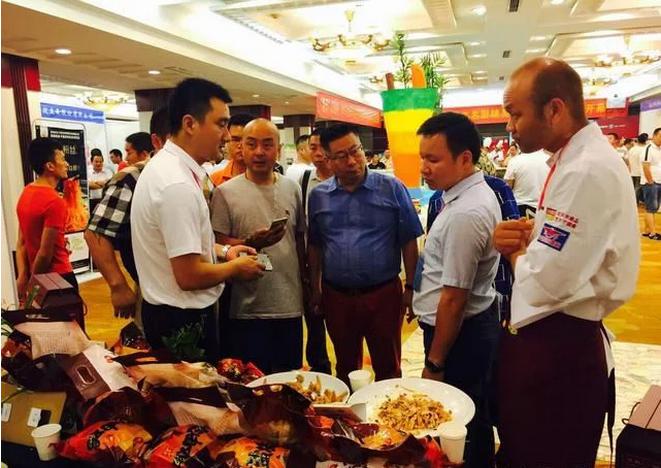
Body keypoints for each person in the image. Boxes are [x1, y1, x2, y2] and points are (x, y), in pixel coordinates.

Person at [494, 57, 639, 467]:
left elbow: (545, 282)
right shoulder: (571, 160)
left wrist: (515, 251)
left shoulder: (585, 170)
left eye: (515, 114)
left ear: (554, 109)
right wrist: (530, 239)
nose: (510, 126)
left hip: (561, 347)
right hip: (553, 340)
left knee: (545, 453)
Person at [131, 78, 265, 358]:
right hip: (181, 321)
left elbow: (182, 244)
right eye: (221, 124)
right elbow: (189, 275)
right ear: (190, 124)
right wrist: (236, 268)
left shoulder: (170, 169)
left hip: (170, 312)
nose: (227, 136)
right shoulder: (176, 184)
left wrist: (225, 252)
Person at [413, 113, 501, 467]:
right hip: (466, 328)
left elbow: (453, 298)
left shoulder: (467, 212)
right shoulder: (463, 196)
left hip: (459, 334)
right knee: (470, 413)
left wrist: (434, 362)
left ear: (465, 158)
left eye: (433, 159)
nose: (424, 168)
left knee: (461, 418)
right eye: (422, 157)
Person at [308, 124, 423, 384]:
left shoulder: (392, 188)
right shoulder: (319, 196)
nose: (352, 161)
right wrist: (315, 288)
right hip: (337, 296)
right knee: (345, 368)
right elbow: (315, 245)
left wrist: (411, 287)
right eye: (341, 156)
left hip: (383, 295)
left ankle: (389, 408)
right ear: (328, 160)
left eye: (355, 151)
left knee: (388, 367)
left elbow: (409, 240)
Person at [211, 118, 306, 374]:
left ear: (279, 149)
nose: (259, 152)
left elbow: (299, 240)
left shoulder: (292, 188)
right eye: (251, 144)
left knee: (289, 379)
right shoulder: (225, 193)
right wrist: (250, 242)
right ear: (241, 147)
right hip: (245, 307)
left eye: (267, 144)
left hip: (288, 304)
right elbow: (216, 243)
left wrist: (307, 287)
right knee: (250, 380)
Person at [85, 132, 154, 318]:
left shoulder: (200, 174)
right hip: (153, 290)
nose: (126, 158)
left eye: (128, 152)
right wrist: (118, 286)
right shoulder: (130, 177)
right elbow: (95, 233)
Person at [16, 137, 77, 299]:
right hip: (58, 277)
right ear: (50, 166)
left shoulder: (26, 192)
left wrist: (22, 276)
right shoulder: (54, 201)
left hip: (36, 274)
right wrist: (33, 283)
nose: (67, 164)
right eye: (62, 159)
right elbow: (44, 253)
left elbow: (21, 243)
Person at [298, 128, 334, 374]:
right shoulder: (303, 181)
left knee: (340, 322)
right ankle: (320, 368)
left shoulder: (344, 179)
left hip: (337, 263)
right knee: (314, 318)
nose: (318, 153)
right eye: (313, 147)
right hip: (312, 260)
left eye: (322, 147)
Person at [503, 149, 550, 218]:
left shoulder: (515, 160)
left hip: (519, 206)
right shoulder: (550, 160)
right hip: (543, 208)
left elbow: (508, 187)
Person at [210, 113, 252, 186]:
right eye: (235, 139)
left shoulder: (268, 179)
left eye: (247, 140)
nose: (241, 145)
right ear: (228, 140)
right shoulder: (215, 180)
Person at [641, 127, 661, 240]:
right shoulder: (648, 149)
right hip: (651, 183)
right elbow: (645, 166)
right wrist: (650, 182)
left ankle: (646, 231)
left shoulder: (659, 149)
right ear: (654, 136)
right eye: (660, 136)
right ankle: (653, 233)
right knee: (651, 208)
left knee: (651, 207)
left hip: (658, 182)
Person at [88, 150, 114, 215]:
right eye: (96, 162)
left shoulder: (108, 172)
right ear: (92, 162)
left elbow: (111, 184)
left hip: (105, 201)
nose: (99, 163)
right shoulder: (88, 172)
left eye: (100, 162)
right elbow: (89, 185)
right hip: (92, 202)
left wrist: (94, 182)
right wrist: (103, 184)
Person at [627, 133, 648, 204]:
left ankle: (633, 202)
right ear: (646, 141)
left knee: (633, 188)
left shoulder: (632, 149)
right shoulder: (645, 150)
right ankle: (634, 203)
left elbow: (628, 161)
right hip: (640, 172)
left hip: (632, 172)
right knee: (638, 188)